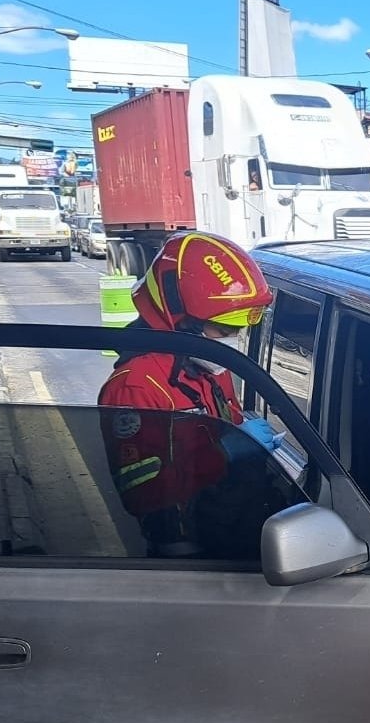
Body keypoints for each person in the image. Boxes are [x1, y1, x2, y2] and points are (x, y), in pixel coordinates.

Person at [97, 230, 282, 557]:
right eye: (225, 330)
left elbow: (230, 424)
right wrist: (225, 450)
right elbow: (142, 491)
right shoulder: (135, 386)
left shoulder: (209, 367)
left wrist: (245, 443)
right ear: (181, 323)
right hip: (189, 550)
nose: (234, 339)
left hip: (236, 526)